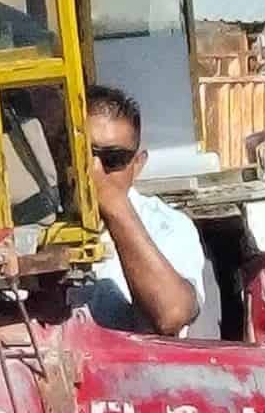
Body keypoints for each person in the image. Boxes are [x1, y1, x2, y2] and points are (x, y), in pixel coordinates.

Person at [81, 85, 214, 338]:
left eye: (114, 159)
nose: (95, 170)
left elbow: (170, 316)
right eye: (85, 155)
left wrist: (112, 203)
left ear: (138, 164)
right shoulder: (38, 222)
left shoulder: (167, 226)